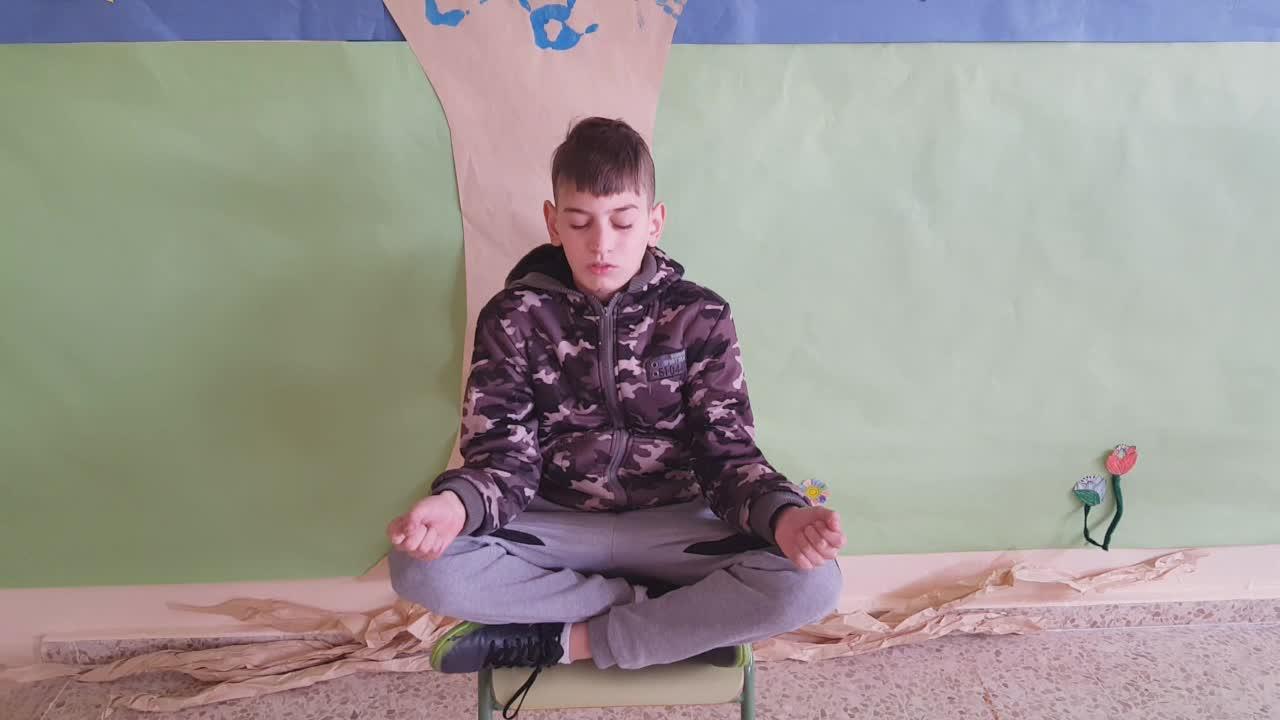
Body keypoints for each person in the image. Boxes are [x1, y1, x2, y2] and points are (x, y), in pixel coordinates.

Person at [386, 116, 844, 714]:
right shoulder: (513, 317)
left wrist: (783, 516)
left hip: (677, 526)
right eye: (580, 222)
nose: (601, 244)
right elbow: (502, 459)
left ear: (654, 222)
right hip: (553, 524)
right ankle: (667, 619)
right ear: (553, 222)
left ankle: (570, 641)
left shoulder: (701, 316)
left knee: (814, 581)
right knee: (419, 569)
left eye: (623, 222)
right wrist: (454, 507)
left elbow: (727, 454)